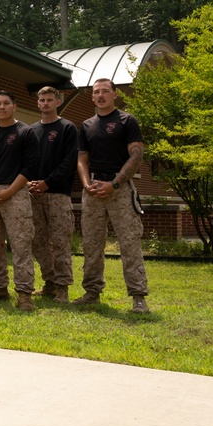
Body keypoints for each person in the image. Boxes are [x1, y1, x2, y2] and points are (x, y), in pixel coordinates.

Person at [74, 78, 149, 313]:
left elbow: (136, 156)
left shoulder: (127, 121)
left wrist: (114, 184)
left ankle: (138, 297)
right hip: (94, 189)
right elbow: (82, 158)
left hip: (120, 188)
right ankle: (92, 292)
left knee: (129, 243)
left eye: (105, 91)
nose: (100, 95)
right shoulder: (87, 125)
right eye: (96, 92)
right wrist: (86, 184)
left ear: (115, 95)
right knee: (91, 244)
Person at [0, 91, 39, 310]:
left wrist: (9, 191)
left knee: (20, 244)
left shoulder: (26, 132)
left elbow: (30, 167)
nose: (1, 107)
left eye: (6, 103)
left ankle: (24, 293)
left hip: (16, 193)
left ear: (14, 106)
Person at [27, 86, 78, 303]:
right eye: (42, 100)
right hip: (33, 194)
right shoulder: (31, 131)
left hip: (58, 194)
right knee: (38, 241)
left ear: (58, 102)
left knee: (60, 242)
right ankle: (49, 282)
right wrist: (28, 182)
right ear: (37, 103)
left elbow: (69, 162)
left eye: (49, 100)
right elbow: (26, 160)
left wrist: (48, 183)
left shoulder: (68, 128)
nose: (45, 103)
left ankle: (63, 287)